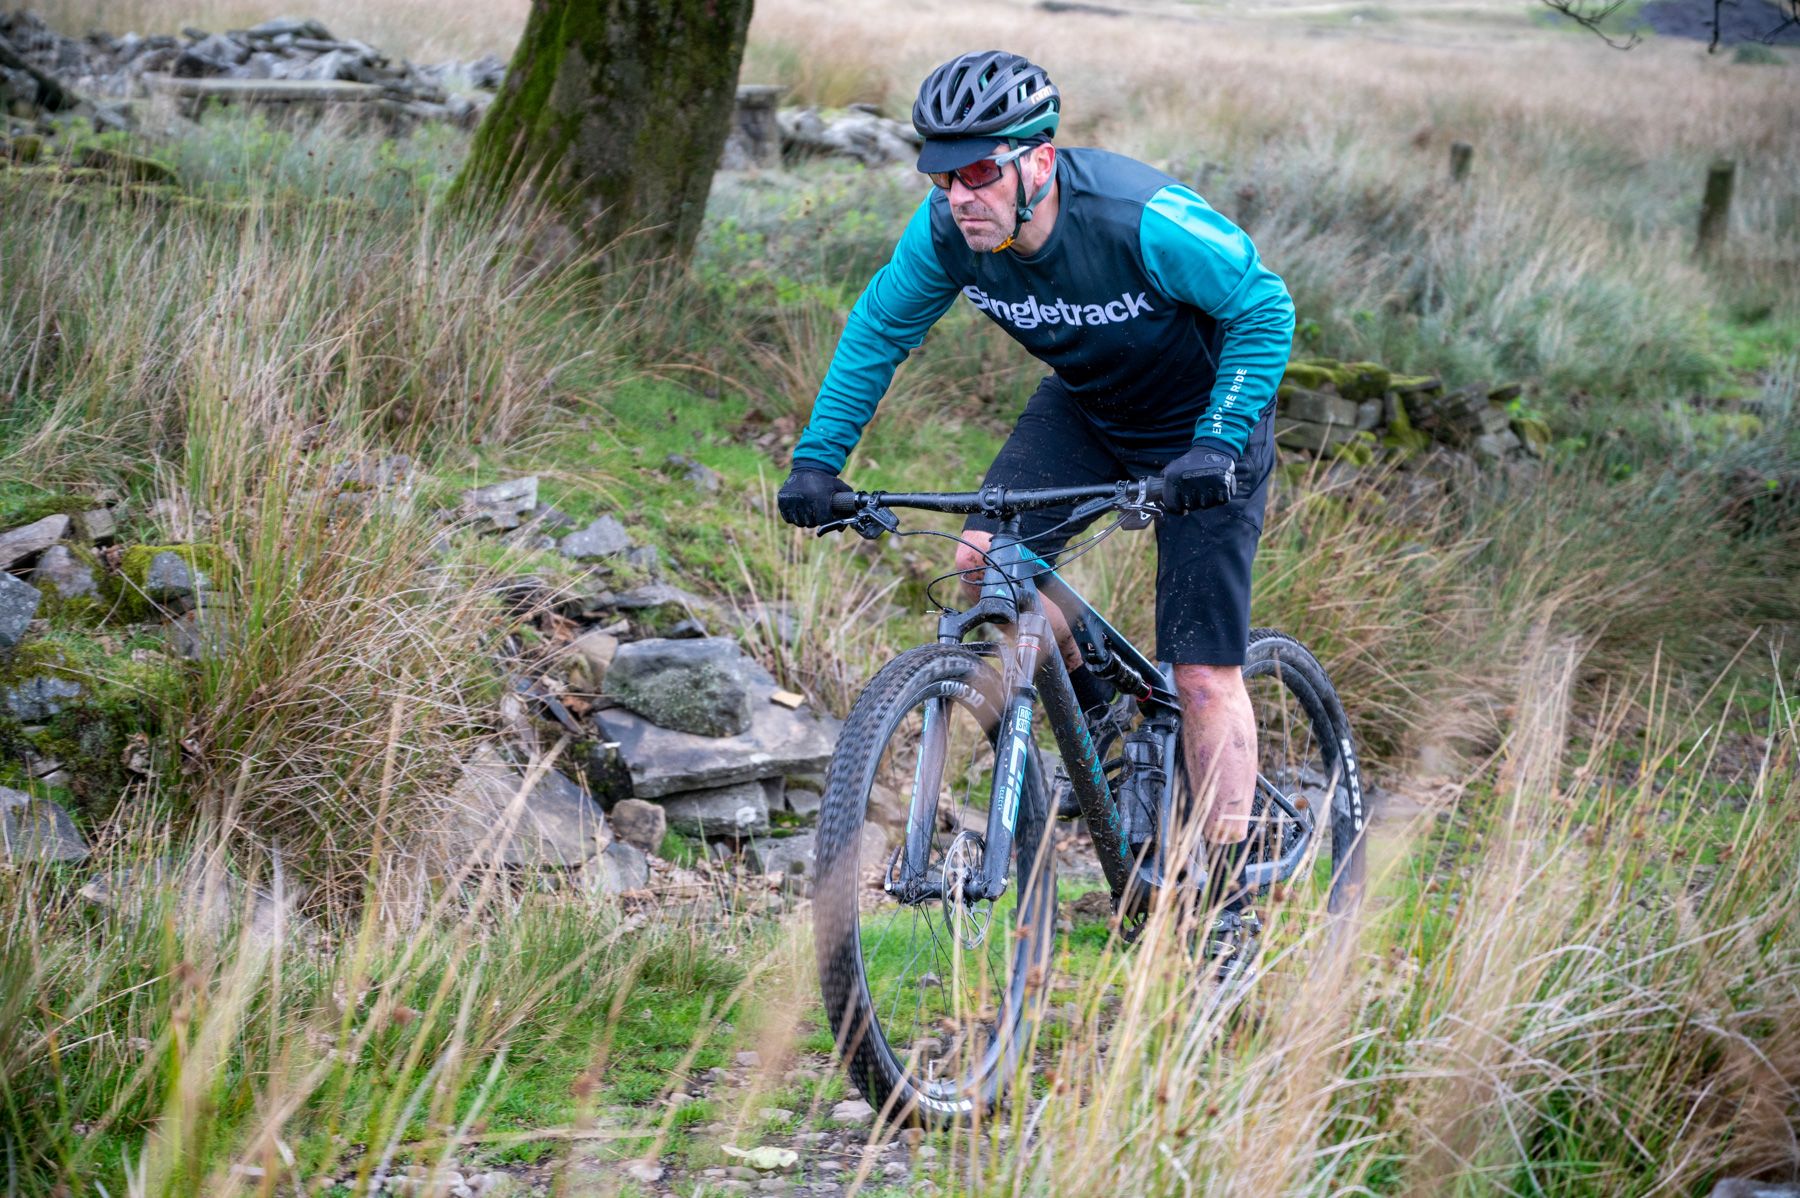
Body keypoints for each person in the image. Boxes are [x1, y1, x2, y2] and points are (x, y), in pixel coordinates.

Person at [775, 49, 1293, 897]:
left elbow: (1263, 307)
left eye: (979, 172)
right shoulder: (947, 233)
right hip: (1090, 406)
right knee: (986, 562)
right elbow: (878, 331)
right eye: (942, 175)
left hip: (1208, 424)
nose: (959, 195)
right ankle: (1106, 730)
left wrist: (1219, 441)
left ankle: (1227, 904)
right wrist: (817, 461)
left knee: (1202, 674)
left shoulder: (1139, 219)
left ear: (1039, 161)